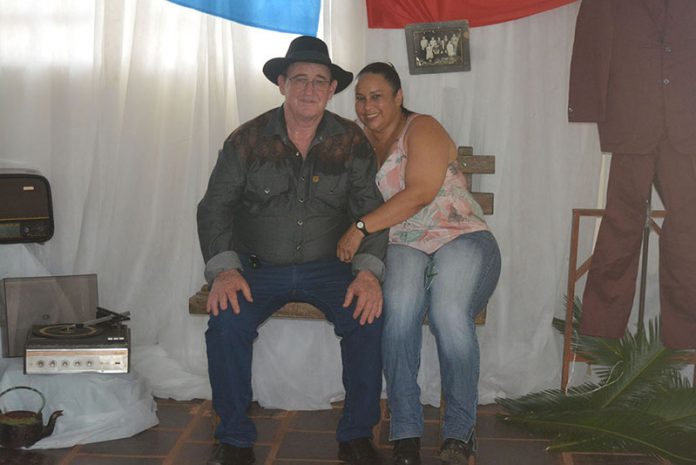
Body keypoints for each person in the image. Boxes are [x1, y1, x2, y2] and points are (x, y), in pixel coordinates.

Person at [197, 36, 388, 465]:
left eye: (320, 80)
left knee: (368, 317)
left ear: (332, 89)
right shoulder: (246, 140)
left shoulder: (351, 141)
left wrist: (367, 273)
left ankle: (357, 435)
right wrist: (225, 270)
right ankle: (233, 439)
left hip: (331, 266)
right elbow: (214, 208)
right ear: (282, 84)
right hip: (256, 268)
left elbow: (370, 210)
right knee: (226, 323)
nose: (309, 89)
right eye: (300, 78)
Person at [337, 62, 501, 465]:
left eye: (377, 96)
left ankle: (459, 434)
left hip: (461, 236)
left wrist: (360, 227)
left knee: (448, 312)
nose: (367, 106)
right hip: (404, 243)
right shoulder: (357, 142)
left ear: (399, 97)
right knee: (398, 314)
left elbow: (421, 192)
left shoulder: (422, 127)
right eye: (360, 98)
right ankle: (406, 432)